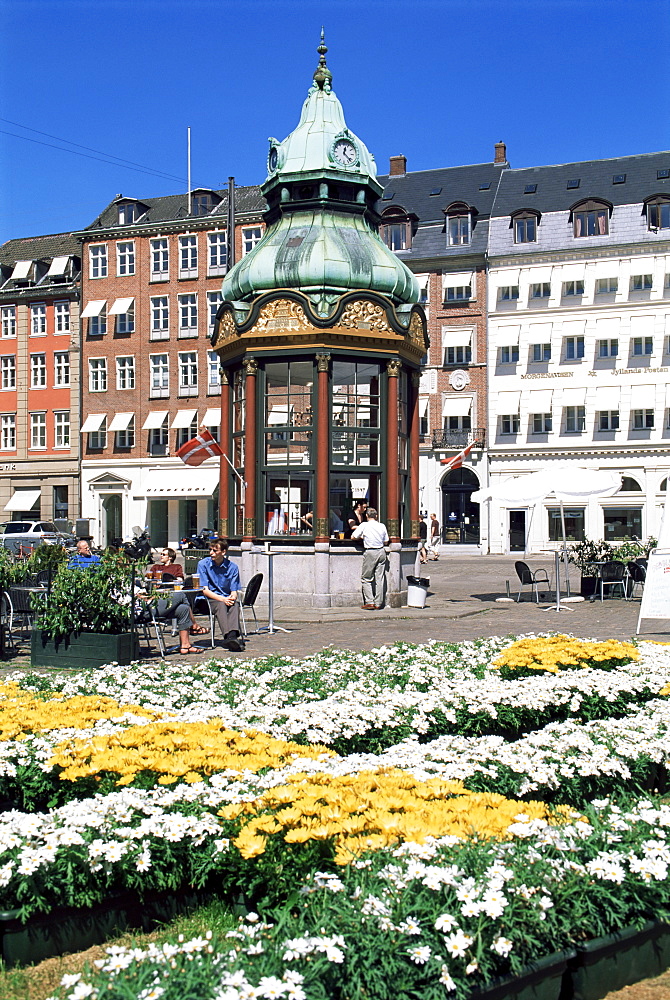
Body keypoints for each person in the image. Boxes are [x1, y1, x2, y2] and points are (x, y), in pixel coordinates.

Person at [197, 538, 245, 651]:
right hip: (207, 599)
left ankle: (232, 636)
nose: (211, 553)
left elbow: (234, 590)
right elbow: (204, 589)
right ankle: (228, 636)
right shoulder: (203, 564)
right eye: (210, 550)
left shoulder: (232, 567)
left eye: (214, 551)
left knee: (235, 604)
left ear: (223, 552)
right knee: (221, 605)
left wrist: (232, 597)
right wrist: (223, 599)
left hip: (224, 598)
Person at [352, 507, 389, 610]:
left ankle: (369, 602)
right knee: (379, 578)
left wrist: (363, 537)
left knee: (366, 578)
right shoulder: (382, 526)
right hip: (381, 551)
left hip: (370, 552)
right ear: (376, 516)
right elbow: (386, 541)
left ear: (367, 516)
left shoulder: (364, 525)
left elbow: (353, 536)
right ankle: (378, 603)